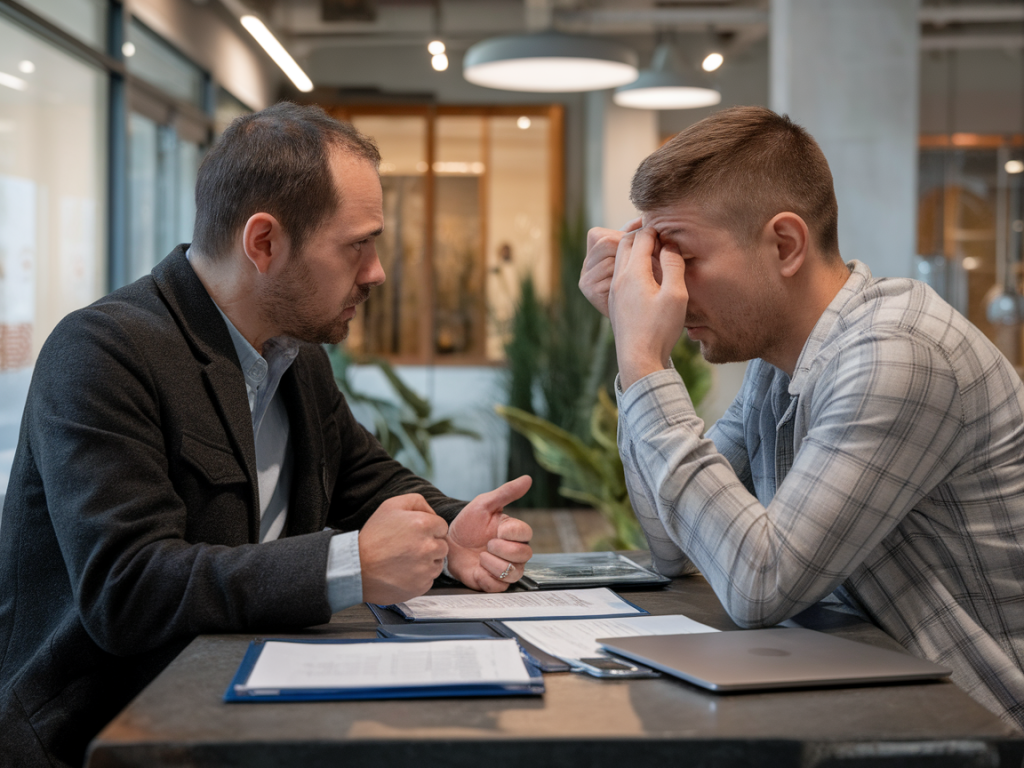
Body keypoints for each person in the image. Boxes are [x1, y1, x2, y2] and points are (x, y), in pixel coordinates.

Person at [0, 102, 533, 768]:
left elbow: (365, 478)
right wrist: (348, 565)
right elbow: (128, 588)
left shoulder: (294, 354)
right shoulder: (104, 352)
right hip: (108, 735)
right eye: (356, 244)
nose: (376, 272)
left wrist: (452, 531)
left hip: (252, 703)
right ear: (263, 243)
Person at [580, 106, 1024, 729]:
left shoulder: (900, 355)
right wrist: (636, 366)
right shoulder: (783, 361)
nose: (668, 290)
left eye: (681, 259)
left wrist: (645, 359)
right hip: (874, 697)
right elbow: (670, 543)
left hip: (980, 723)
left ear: (784, 245)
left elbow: (759, 585)